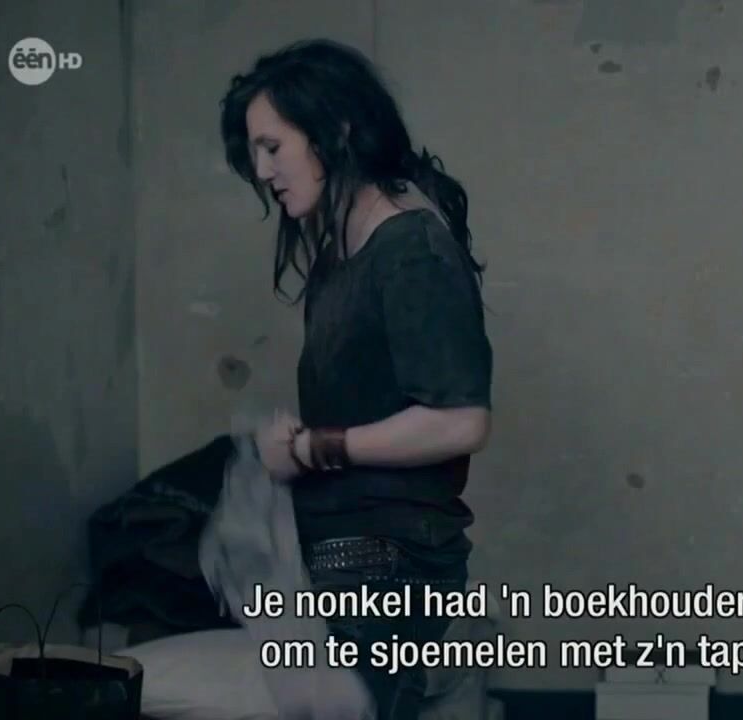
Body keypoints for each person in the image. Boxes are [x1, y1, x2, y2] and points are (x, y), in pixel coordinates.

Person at [219, 38, 493, 720]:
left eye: (273, 147)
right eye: (254, 152)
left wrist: (314, 447)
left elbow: (460, 421)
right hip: (345, 558)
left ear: (336, 131)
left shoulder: (411, 251)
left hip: (388, 567)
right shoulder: (337, 263)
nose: (263, 171)